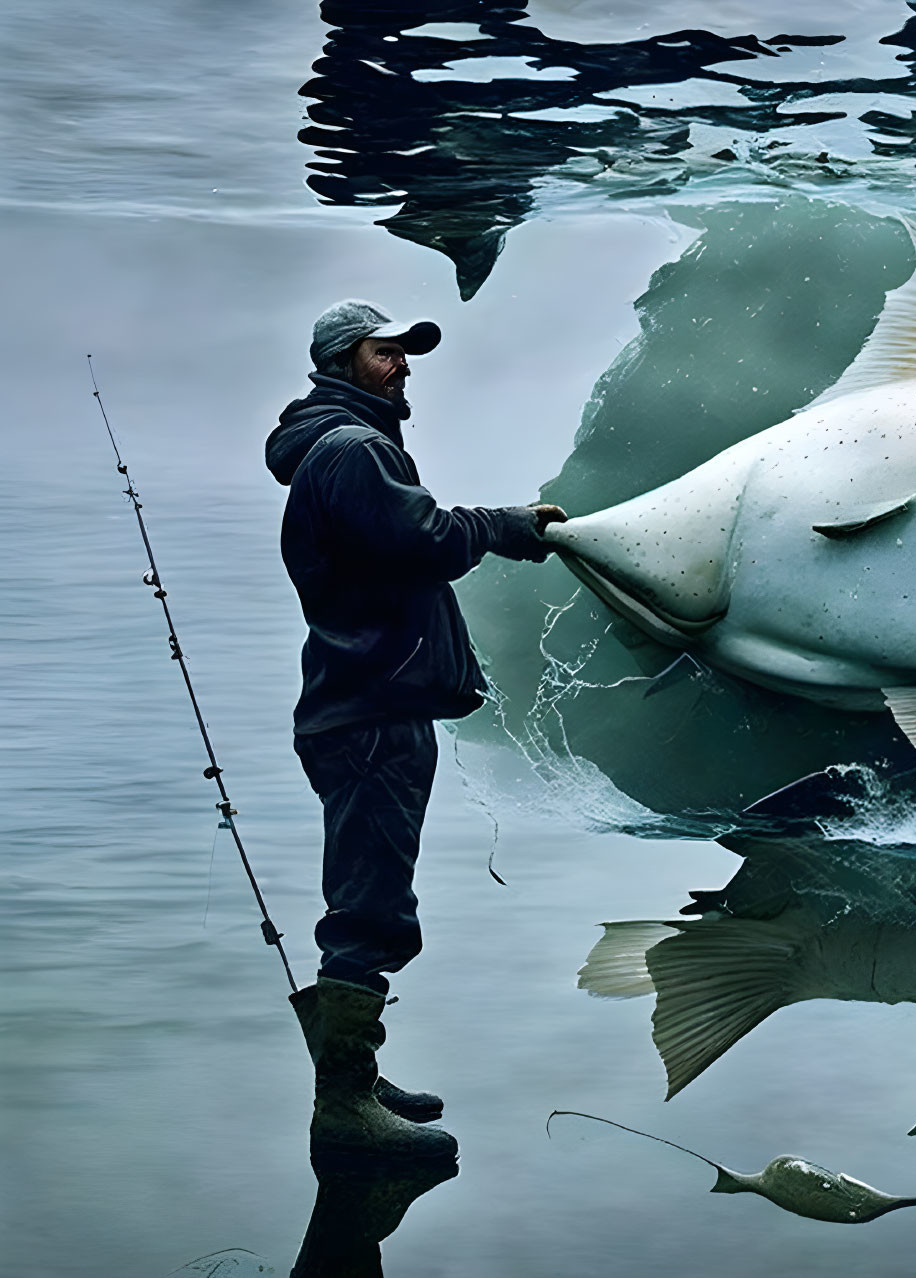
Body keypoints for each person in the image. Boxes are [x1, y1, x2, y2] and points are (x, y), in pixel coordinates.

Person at [266, 300, 564, 1159]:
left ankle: (355, 1077)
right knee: (368, 908)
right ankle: (344, 1107)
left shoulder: (340, 447)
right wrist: (509, 527)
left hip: (359, 708)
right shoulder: (354, 451)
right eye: (383, 351)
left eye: (404, 352)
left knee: (370, 901)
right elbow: (424, 539)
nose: (401, 364)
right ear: (338, 360)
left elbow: (402, 542)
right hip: (369, 716)